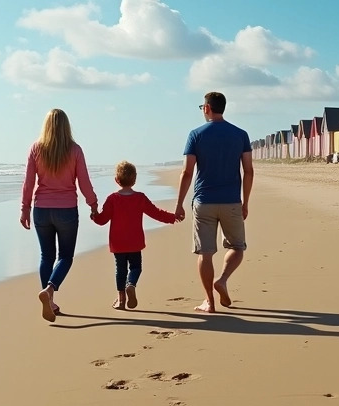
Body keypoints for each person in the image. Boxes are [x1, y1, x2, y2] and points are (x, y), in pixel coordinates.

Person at [175, 91, 254, 313]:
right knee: (237, 247)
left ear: (207, 108)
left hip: (204, 201)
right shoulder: (240, 134)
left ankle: (209, 302)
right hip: (231, 201)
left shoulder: (196, 135)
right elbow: (248, 171)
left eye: (202, 107)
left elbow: (187, 172)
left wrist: (179, 203)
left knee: (205, 253)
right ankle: (223, 279)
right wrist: (245, 202)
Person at [20, 109, 99, 322]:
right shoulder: (74, 150)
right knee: (65, 256)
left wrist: (24, 208)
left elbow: (28, 183)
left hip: (41, 210)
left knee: (47, 256)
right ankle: (49, 291)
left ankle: (50, 301)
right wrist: (93, 204)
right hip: (66, 211)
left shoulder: (36, 148)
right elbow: (84, 182)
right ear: (66, 126)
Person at [91, 161, 178, 310]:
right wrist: (172, 217)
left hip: (118, 243)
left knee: (121, 270)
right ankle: (131, 284)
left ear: (116, 180)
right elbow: (155, 213)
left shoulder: (112, 199)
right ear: (135, 179)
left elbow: (102, 220)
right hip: (135, 241)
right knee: (136, 267)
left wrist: (94, 215)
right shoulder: (140, 198)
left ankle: (121, 299)